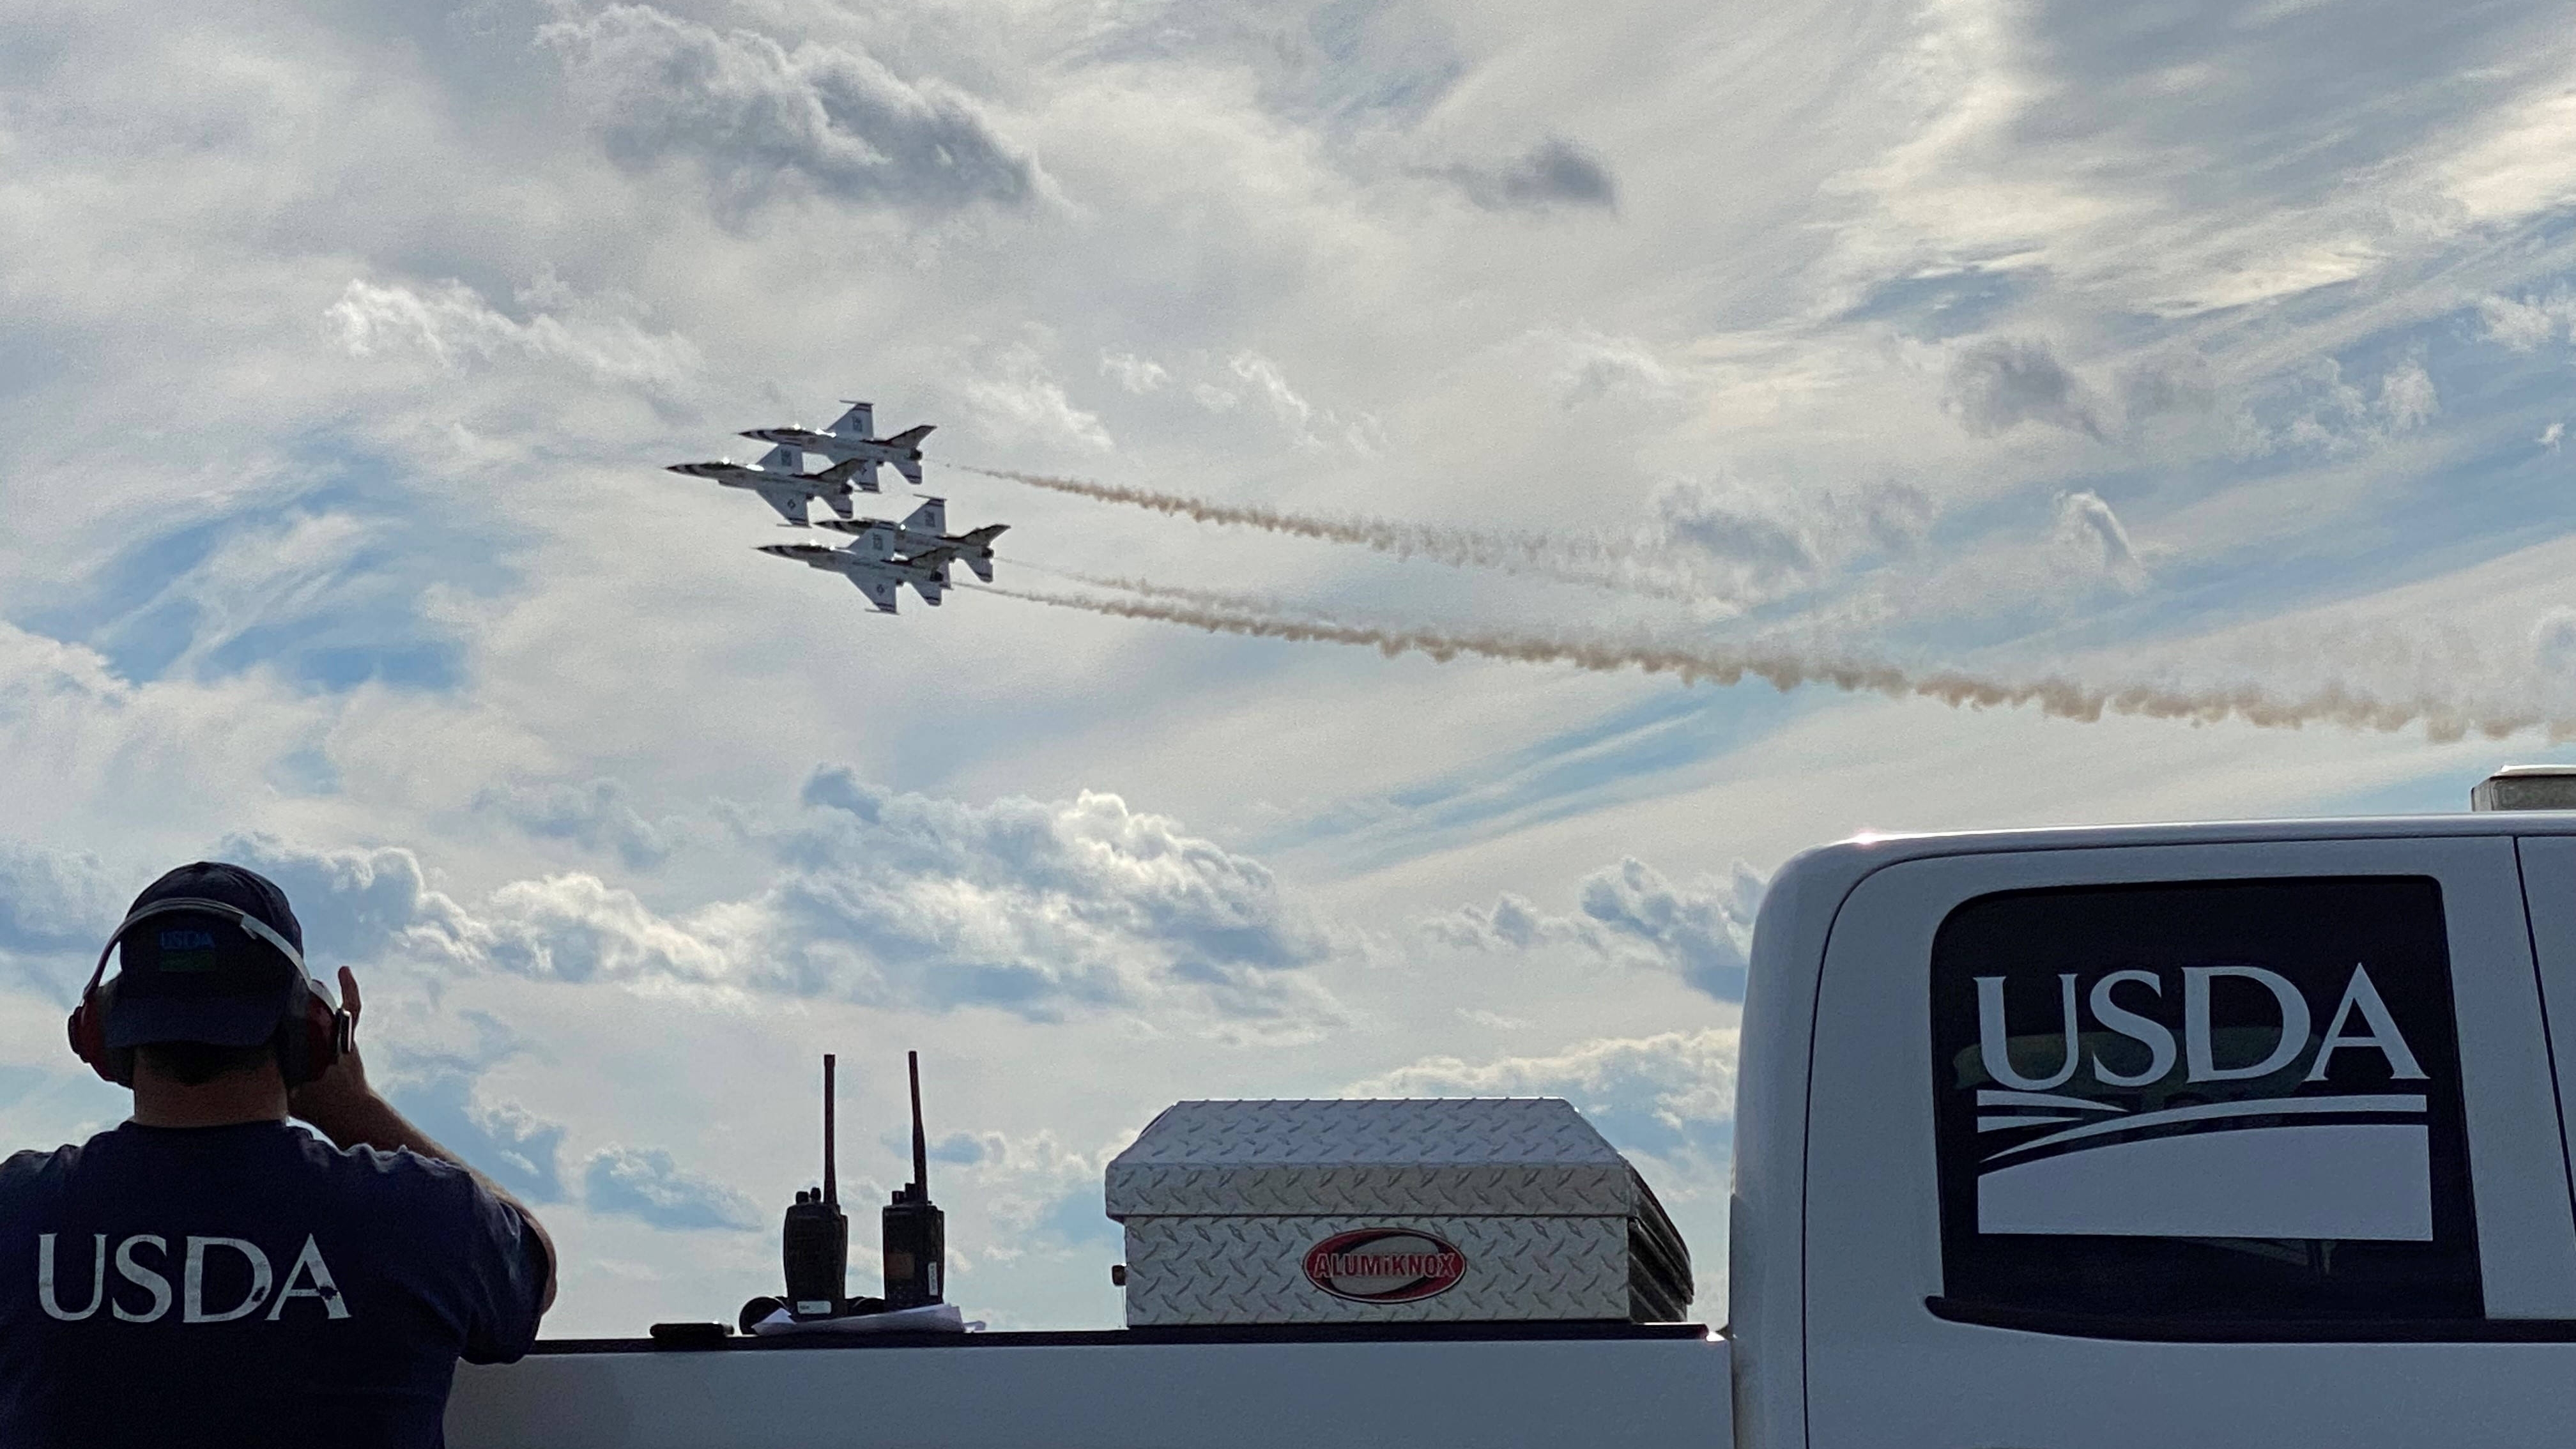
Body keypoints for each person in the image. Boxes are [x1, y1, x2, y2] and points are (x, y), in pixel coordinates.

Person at [0, 861, 555, 1448]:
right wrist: (356, 1109)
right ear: (312, 1034)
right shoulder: (423, 1217)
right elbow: (531, 1277)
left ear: (100, 1031)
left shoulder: (15, 1211)